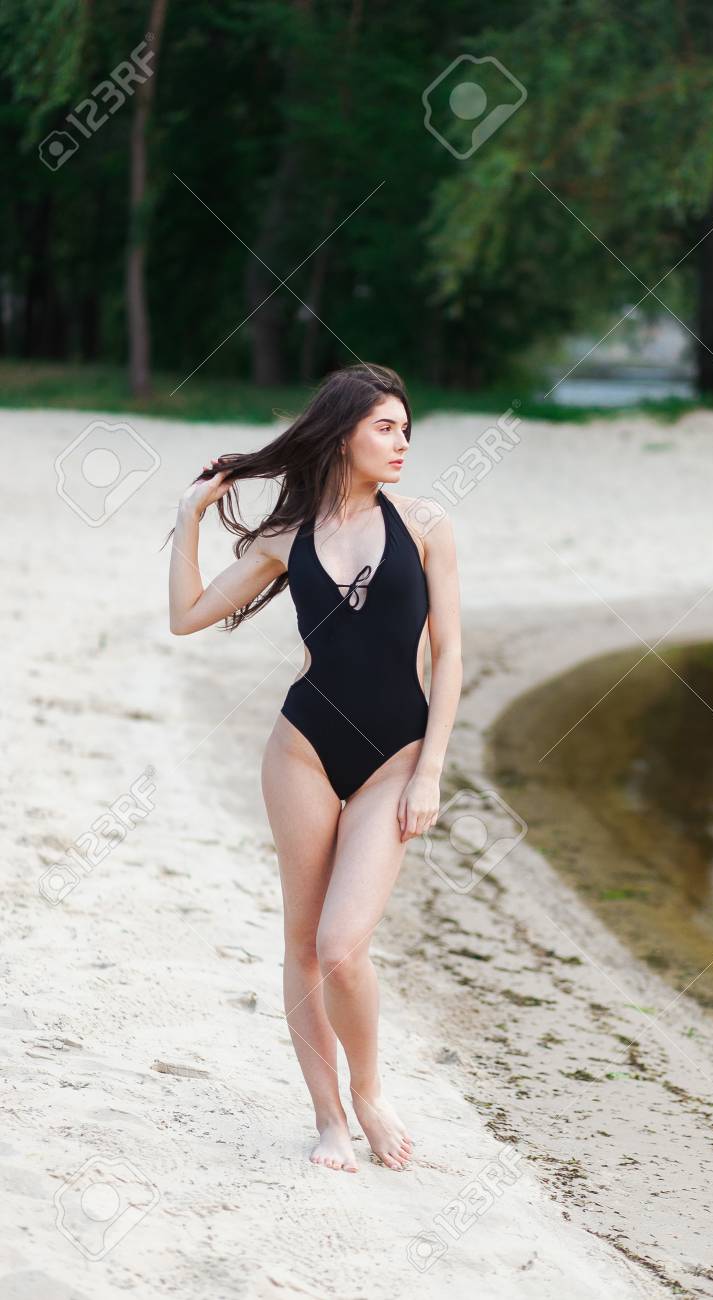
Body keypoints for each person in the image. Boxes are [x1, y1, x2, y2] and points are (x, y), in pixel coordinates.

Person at [167, 363, 462, 1173]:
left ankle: (369, 1090)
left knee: (341, 945)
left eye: (406, 429)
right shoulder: (286, 538)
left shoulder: (428, 523)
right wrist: (189, 517)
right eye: (385, 427)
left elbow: (452, 656)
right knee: (302, 946)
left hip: (395, 759)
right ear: (342, 435)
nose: (402, 442)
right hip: (301, 750)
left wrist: (432, 770)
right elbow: (187, 617)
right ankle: (330, 1120)